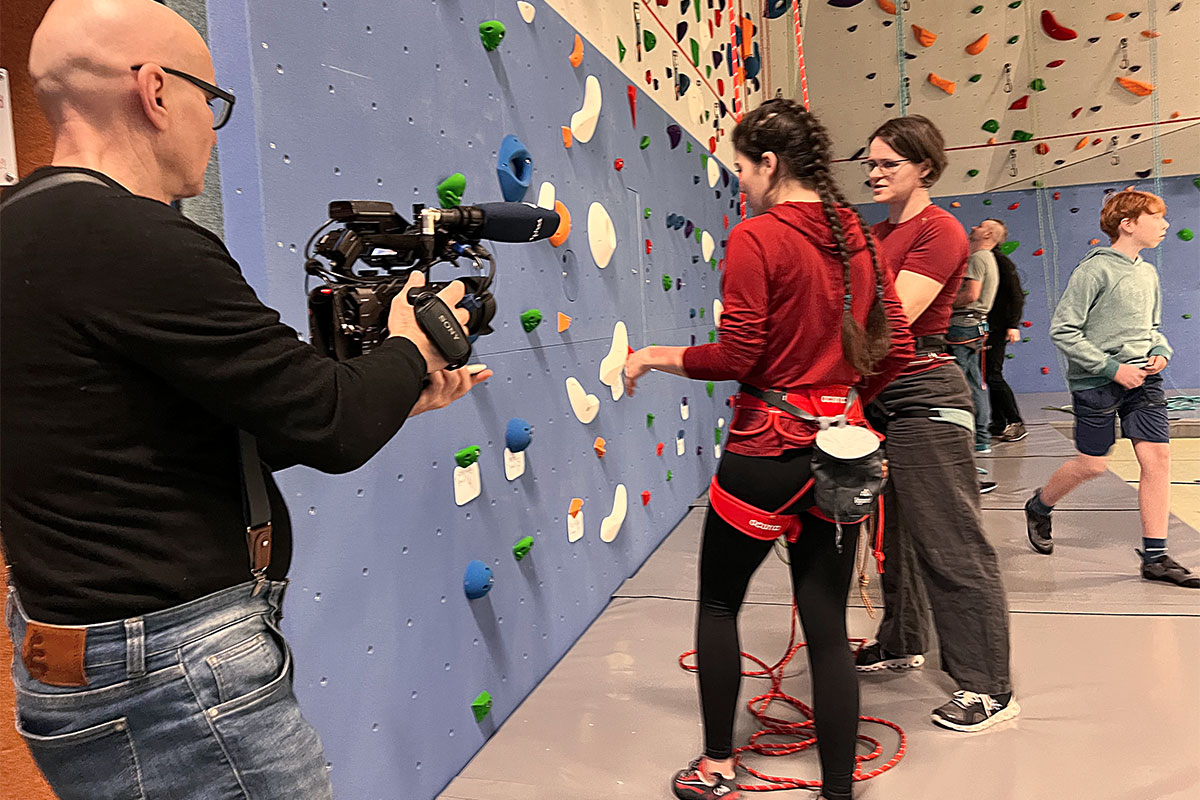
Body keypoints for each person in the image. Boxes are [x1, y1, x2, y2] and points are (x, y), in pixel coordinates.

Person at [0, 2, 491, 798]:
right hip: (172, 670)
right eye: (210, 100)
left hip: (76, 653)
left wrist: (392, 392)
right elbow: (330, 427)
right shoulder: (140, 240)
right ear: (157, 92)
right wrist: (414, 342)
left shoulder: (21, 227)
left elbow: (180, 432)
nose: (212, 126)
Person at [624, 99, 913, 800]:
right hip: (842, 453)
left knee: (720, 604)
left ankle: (718, 767)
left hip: (767, 449)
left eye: (744, 169)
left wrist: (655, 356)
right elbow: (896, 345)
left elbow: (740, 352)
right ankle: (838, 792)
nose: (741, 182)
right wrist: (840, 398)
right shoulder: (859, 237)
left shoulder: (758, 237)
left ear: (771, 163)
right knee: (826, 625)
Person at [852, 116, 1019, 733]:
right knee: (893, 535)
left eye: (888, 163)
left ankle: (985, 685)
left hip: (925, 394)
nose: (874, 173)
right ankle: (901, 640)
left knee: (950, 542)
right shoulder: (875, 232)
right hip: (882, 399)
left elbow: (891, 318)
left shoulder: (940, 229)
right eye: (870, 163)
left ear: (924, 167)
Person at [1025, 190, 1198, 588]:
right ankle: (1039, 505)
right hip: (1098, 382)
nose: (1165, 225)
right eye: (1157, 217)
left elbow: (1152, 328)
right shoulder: (1094, 271)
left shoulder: (1148, 272)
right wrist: (1111, 368)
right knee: (1093, 464)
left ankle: (1155, 557)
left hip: (1144, 381)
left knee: (1158, 460)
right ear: (1129, 224)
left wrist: (1160, 351)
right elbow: (1063, 330)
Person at [948, 219, 1003, 456]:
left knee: (963, 383)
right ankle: (979, 436)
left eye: (978, 226)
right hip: (974, 325)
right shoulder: (988, 258)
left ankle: (974, 436)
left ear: (988, 233)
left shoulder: (979, 257)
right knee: (972, 380)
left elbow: (971, 294)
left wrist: (941, 304)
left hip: (963, 324)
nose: (973, 227)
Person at [986, 247, 1028, 442]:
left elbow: (1016, 295)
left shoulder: (1001, 262)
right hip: (990, 326)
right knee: (989, 374)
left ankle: (1015, 421)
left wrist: (1012, 325)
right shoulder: (986, 258)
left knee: (993, 375)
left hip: (998, 326)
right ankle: (998, 420)